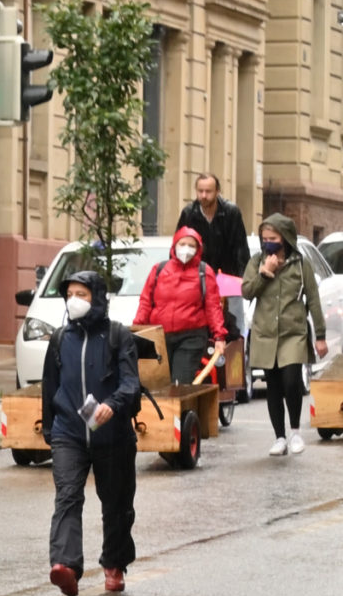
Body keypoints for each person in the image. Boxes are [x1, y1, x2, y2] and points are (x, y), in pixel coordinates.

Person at [40, 270, 143, 596]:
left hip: (112, 437)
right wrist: (48, 428)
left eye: (82, 294)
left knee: (116, 503)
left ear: (97, 298)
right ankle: (66, 566)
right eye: (70, 294)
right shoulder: (59, 338)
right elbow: (49, 387)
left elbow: (131, 383)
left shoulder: (118, 335)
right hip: (68, 433)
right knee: (67, 496)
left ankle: (114, 563)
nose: (75, 300)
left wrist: (113, 405)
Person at [243, 212, 327, 458]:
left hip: (293, 332)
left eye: (273, 237)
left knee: (292, 381)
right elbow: (247, 291)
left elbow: (313, 299)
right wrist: (264, 273)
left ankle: (295, 431)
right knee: (274, 385)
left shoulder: (301, 265)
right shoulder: (257, 261)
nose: (268, 241)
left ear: (286, 238)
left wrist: (320, 336)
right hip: (265, 333)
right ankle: (279, 437)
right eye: (265, 237)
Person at [132, 224, 229, 386]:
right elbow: (146, 302)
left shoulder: (204, 272)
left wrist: (219, 336)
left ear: (198, 249)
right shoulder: (159, 270)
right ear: (174, 246)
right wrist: (136, 328)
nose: (186, 249)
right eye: (182, 244)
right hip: (159, 336)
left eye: (191, 246)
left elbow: (213, 307)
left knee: (180, 382)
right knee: (157, 383)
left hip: (191, 337)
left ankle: (181, 412)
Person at [176, 172, 249, 346]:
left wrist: (242, 280)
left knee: (234, 324)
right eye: (200, 191)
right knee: (202, 323)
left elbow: (240, 248)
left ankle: (236, 357)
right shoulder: (189, 213)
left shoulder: (231, 212)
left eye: (208, 191)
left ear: (217, 191)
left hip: (228, 279)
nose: (203, 195)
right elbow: (179, 245)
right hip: (198, 278)